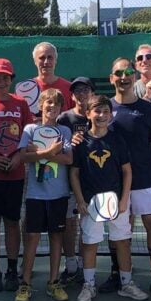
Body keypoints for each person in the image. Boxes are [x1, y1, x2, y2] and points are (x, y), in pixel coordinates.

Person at [70, 94, 147, 301]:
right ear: (88, 114)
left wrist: (124, 200)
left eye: (105, 111)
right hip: (90, 204)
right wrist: (80, 200)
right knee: (90, 244)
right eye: (97, 111)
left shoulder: (117, 140)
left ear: (110, 114)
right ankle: (89, 285)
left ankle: (127, 283)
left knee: (122, 241)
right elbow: (74, 174)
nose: (102, 115)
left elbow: (127, 172)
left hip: (117, 202)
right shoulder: (80, 142)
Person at [108, 57, 151, 295]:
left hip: (145, 178)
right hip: (114, 183)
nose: (123, 77)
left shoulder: (147, 109)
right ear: (112, 79)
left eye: (128, 72)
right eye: (118, 73)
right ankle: (117, 274)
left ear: (133, 77)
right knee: (120, 230)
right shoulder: (105, 109)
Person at [0, 58, 33, 293]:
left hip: (15, 175)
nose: (1, 81)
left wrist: (18, 158)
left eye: (5, 77)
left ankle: (12, 269)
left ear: (11, 79)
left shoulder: (21, 104)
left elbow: (28, 138)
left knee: (12, 223)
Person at [15, 88, 73, 301]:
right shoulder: (30, 129)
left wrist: (40, 154)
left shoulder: (64, 132)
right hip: (35, 196)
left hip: (59, 195)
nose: (51, 107)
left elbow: (68, 159)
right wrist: (48, 153)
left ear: (60, 109)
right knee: (31, 238)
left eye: (56, 105)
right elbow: (23, 157)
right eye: (48, 103)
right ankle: (25, 284)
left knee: (56, 238)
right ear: (40, 106)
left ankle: (53, 282)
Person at [57, 76, 93, 285]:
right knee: (69, 225)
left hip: (92, 181)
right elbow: (57, 146)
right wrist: (69, 143)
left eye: (85, 90)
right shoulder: (64, 119)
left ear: (92, 93)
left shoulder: (98, 115)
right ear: (72, 95)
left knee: (87, 225)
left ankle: (84, 264)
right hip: (68, 181)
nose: (81, 94)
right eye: (77, 91)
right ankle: (71, 265)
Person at [27, 41, 73, 113]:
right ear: (35, 61)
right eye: (42, 58)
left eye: (50, 57)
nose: (46, 62)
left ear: (55, 60)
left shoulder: (69, 88)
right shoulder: (25, 88)